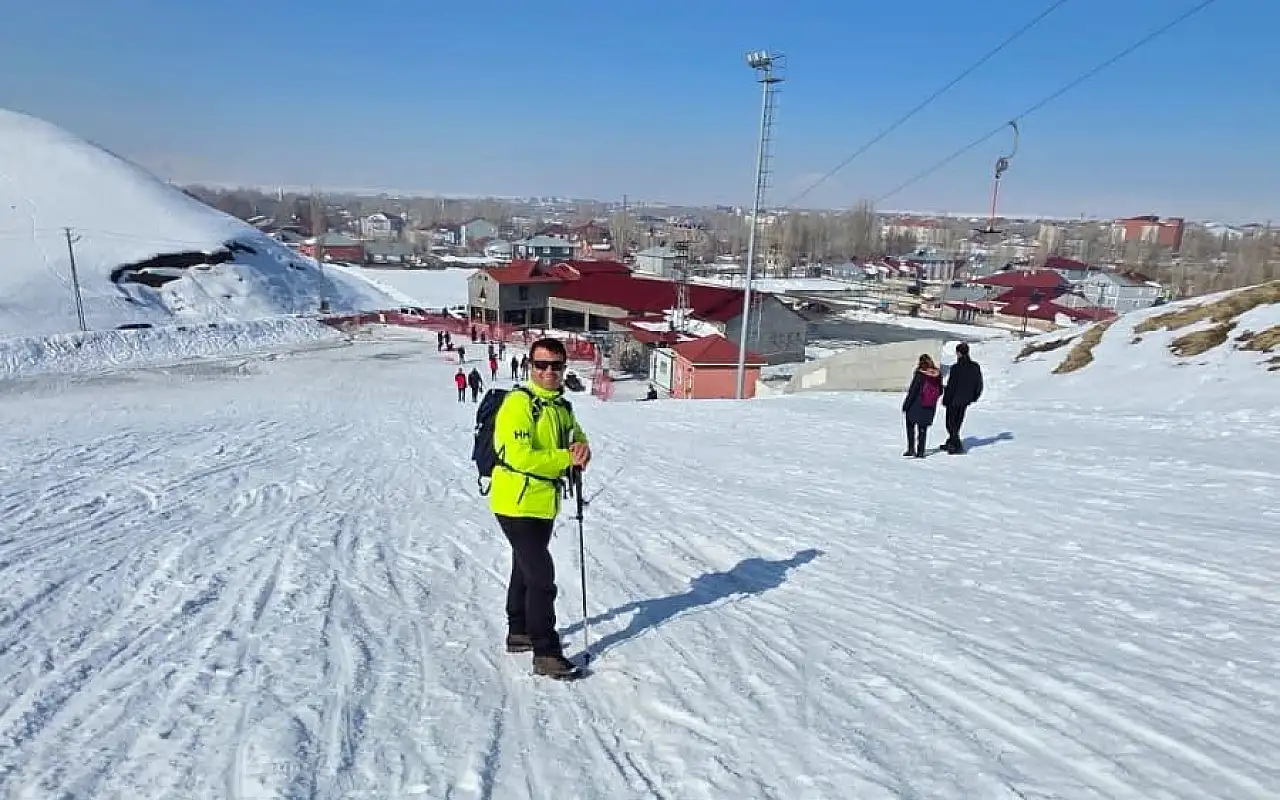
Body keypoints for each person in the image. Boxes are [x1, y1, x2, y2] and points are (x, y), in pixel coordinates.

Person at [489, 337, 591, 679]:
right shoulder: (519, 404)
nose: (549, 372)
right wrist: (565, 458)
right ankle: (545, 651)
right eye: (541, 365)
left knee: (525, 567)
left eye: (556, 365)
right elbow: (519, 456)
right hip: (514, 502)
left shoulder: (562, 406)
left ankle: (518, 631)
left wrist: (581, 450)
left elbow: (577, 436)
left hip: (543, 502)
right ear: (530, 366)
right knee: (542, 578)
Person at [942, 342, 984, 454]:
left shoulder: (956, 368)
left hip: (954, 399)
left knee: (950, 423)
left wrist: (946, 399)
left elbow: (951, 386)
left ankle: (957, 445)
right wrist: (975, 396)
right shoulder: (975, 366)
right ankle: (951, 442)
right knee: (958, 421)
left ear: (959, 353)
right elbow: (979, 383)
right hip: (966, 399)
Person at [901, 354, 943, 458]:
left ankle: (911, 449)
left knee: (910, 425)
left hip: (916, 405)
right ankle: (921, 451)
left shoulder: (920, 374)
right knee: (923, 428)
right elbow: (940, 390)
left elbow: (913, 391)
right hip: (929, 406)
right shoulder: (938, 374)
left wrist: (906, 405)